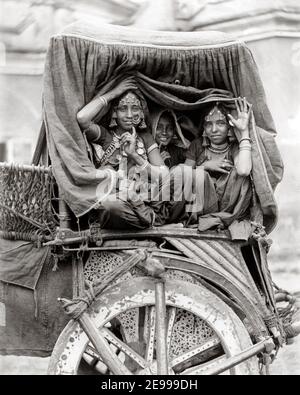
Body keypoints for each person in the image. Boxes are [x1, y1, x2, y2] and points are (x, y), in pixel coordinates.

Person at [77, 78, 169, 230]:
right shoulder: (106, 137)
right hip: (117, 205)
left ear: (141, 112)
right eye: (123, 109)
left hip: (141, 204)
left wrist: (135, 156)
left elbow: (164, 176)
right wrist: (113, 93)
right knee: (111, 204)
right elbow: (82, 118)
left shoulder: (145, 138)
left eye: (135, 108)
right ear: (114, 112)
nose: (129, 114)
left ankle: (147, 219)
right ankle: (147, 222)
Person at [159, 98, 254, 231]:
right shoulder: (197, 145)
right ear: (204, 128)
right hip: (198, 206)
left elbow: (244, 170)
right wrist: (205, 166)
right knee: (192, 174)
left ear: (229, 127)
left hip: (224, 208)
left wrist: (244, 132)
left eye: (220, 123)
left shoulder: (234, 147)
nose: (214, 129)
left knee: (240, 176)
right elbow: (181, 175)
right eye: (209, 124)